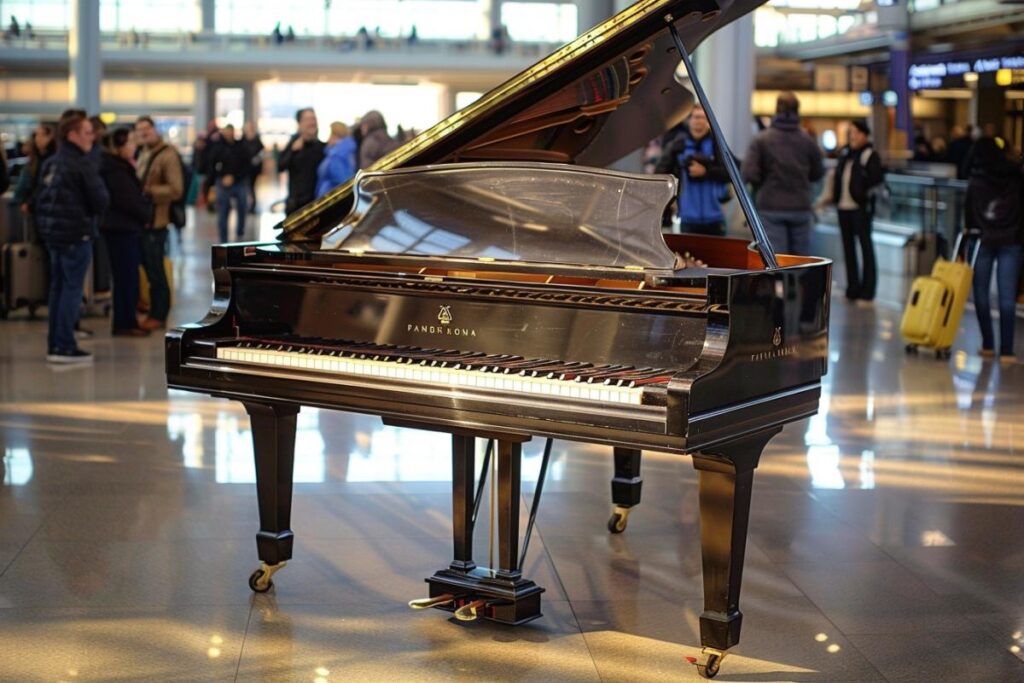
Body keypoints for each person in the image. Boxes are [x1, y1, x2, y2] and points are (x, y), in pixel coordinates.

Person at [33, 112, 109, 363]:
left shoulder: (52, 162)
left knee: (57, 288)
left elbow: (39, 200)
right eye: (87, 132)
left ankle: (55, 342)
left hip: (54, 235)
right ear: (72, 135)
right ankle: (64, 345)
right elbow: (100, 199)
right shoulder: (81, 164)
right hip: (76, 235)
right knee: (71, 290)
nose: (92, 138)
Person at [742, 91, 824, 256]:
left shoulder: (762, 139)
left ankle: (778, 282)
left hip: (770, 207)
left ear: (776, 110)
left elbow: (749, 173)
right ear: (797, 111)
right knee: (800, 261)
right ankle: (797, 282)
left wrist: (763, 182)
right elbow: (818, 172)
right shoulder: (807, 140)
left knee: (776, 260)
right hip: (801, 206)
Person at [966, 137, 1023, 363]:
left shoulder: (976, 181)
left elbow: (969, 215)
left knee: (980, 295)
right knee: (1007, 298)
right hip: (1011, 241)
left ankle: (988, 344)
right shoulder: (1016, 179)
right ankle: (1007, 350)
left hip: (983, 241)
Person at [98, 127, 150, 337]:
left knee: (127, 277)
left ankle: (127, 319)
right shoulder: (115, 170)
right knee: (125, 277)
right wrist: (146, 211)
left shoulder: (118, 167)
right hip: (122, 229)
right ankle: (125, 322)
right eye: (130, 142)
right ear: (118, 147)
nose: (134, 146)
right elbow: (128, 201)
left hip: (123, 228)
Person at [135, 115, 183, 331]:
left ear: (155, 130)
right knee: (149, 268)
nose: (144, 133)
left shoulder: (167, 155)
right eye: (139, 130)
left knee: (156, 271)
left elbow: (176, 189)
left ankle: (159, 314)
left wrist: (148, 191)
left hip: (157, 220)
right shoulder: (143, 152)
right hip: (144, 220)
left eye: (147, 128)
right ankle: (151, 307)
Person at [830, 120, 883, 304]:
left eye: (856, 132)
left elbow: (876, 180)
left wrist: (863, 195)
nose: (853, 136)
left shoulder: (869, 155)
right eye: (851, 132)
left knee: (865, 247)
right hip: (843, 207)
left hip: (860, 208)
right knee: (848, 249)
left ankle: (868, 289)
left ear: (864, 134)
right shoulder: (846, 155)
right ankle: (852, 287)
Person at [655, 106, 730, 235]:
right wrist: (672, 153)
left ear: (708, 122)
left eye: (702, 117)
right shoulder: (678, 145)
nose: (698, 121)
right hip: (687, 218)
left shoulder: (717, 145)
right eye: (695, 117)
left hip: (715, 217)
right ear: (689, 120)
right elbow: (659, 174)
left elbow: (730, 174)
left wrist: (706, 172)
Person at [278, 107, 325, 214]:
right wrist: (292, 151)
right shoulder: (293, 144)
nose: (312, 122)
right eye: (308, 119)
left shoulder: (322, 147)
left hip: (317, 205)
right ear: (299, 124)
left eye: (313, 119)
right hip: (296, 206)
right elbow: (280, 166)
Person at [208, 124, 250, 242]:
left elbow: (246, 165)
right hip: (222, 182)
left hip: (238, 182)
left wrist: (235, 177)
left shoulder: (241, 147)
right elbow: (212, 165)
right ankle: (223, 239)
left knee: (242, 206)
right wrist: (215, 181)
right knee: (223, 210)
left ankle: (240, 232)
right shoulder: (217, 147)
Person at [13, 122, 57, 217]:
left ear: (50, 137)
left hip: (49, 209)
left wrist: (30, 203)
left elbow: (44, 187)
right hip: (37, 209)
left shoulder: (53, 161)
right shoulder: (35, 160)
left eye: (42, 135)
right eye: (36, 135)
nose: (38, 138)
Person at [316, 122, 357, 199]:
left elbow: (344, 182)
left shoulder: (337, 156)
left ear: (335, 135)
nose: (328, 139)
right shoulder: (343, 152)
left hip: (332, 200)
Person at [242, 122, 264, 214]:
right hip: (244, 168)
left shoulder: (257, 140)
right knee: (247, 187)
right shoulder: (243, 139)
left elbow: (261, 153)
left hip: (254, 169)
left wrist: (255, 161)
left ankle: (252, 205)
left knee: (250, 186)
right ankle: (247, 205)